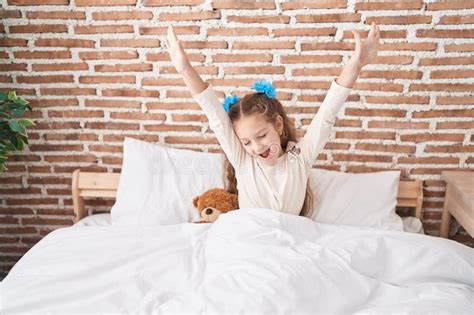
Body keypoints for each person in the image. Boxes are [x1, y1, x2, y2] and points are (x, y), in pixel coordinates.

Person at [165, 23, 380, 218]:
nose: (256, 146)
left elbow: (327, 114)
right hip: (249, 236)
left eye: (261, 136)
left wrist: (356, 65)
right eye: (246, 142)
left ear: (278, 125)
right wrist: (185, 69)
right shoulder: (243, 161)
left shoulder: (299, 158)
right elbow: (215, 116)